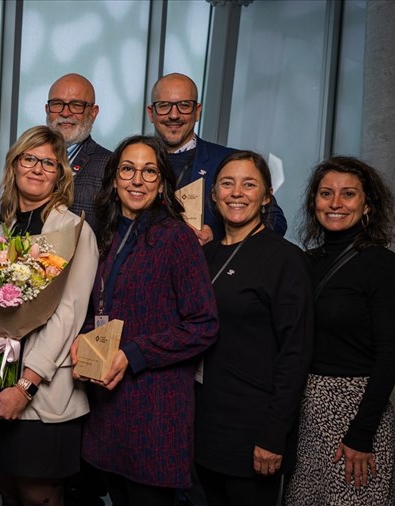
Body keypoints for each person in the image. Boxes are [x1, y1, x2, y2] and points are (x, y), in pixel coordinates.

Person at [72, 135, 218, 505]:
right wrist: (84, 338)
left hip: (155, 411)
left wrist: (133, 354)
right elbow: (104, 305)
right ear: (114, 180)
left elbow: (203, 325)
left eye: (149, 171)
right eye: (128, 169)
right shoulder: (106, 235)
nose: (137, 180)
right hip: (108, 407)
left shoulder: (177, 238)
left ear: (162, 184)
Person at [0, 126, 98, 506]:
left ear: (60, 175)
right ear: (14, 165)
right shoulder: (1, 230)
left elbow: (69, 314)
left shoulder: (74, 230)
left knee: (39, 495)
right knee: (5, 488)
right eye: (29, 159)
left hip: (41, 391)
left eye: (49, 163)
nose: (38, 169)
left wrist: (25, 386)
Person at [285, 157, 395, 505]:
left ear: (367, 205)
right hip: (305, 414)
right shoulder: (304, 262)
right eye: (326, 193)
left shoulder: (382, 265)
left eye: (348, 194)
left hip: (357, 415)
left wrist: (361, 434)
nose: (335, 203)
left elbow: (389, 358)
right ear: (314, 202)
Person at [194, 151, 313, 505]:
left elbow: (296, 353)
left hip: (252, 429)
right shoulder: (204, 255)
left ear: (266, 197)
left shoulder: (286, 259)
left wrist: (274, 434)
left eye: (249, 184)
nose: (236, 193)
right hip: (204, 423)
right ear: (213, 194)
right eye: (227, 184)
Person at [147, 73, 286, 244]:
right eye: (164, 106)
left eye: (184, 105)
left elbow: (276, 222)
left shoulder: (230, 162)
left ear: (197, 112)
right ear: (151, 113)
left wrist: (220, 236)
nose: (174, 115)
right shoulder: (131, 164)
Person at [46, 73, 112, 235]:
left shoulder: (110, 165)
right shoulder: (26, 161)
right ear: (47, 109)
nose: (65, 113)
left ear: (93, 112)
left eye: (76, 105)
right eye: (57, 104)